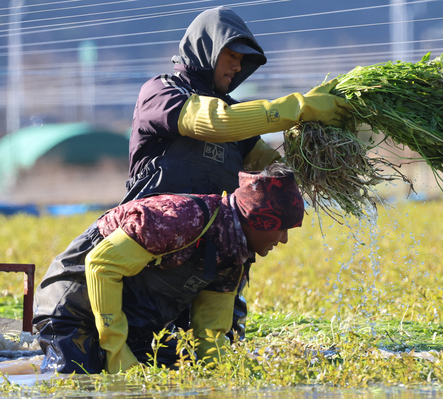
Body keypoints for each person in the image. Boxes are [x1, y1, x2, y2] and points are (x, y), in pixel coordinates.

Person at [33, 6, 348, 348]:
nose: (237, 65)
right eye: (231, 54)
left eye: (243, 59)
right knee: (92, 359)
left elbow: (281, 173)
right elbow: (216, 122)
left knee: (205, 353)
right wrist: (300, 107)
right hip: (141, 253)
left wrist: (328, 143)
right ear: (208, 49)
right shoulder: (162, 94)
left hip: (197, 268)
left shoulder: (240, 127)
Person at [33, 163, 305, 374]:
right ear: (259, 221)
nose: (283, 240)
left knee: (176, 372)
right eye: (282, 229)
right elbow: (101, 266)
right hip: (73, 308)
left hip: (130, 323)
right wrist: (116, 349)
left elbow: (210, 334)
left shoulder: (234, 257)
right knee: (74, 379)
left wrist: (229, 379)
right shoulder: (181, 218)